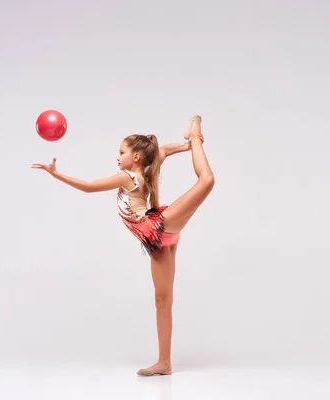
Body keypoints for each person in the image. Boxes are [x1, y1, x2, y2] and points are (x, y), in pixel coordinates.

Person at [31, 115, 215, 376]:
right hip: (159, 239)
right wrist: (184, 147)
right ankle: (164, 363)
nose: (117, 157)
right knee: (163, 301)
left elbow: (89, 187)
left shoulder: (128, 177)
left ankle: (195, 132)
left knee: (207, 181)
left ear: (136, 157)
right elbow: (162, 151)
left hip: (158, 227)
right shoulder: (146, 171)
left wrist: (56, 173)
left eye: (121, 152)